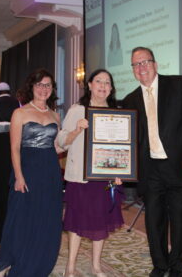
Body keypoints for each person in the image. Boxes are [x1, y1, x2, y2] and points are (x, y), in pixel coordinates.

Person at [122, 47, 182, 277]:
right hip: (150, 170)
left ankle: (178, 267)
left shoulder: (178, 85)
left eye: (145, 62)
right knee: (154, 221)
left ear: (155, 64)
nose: (141, 67)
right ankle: (160, 266)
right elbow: (127, 140)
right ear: (132, 70)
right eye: (136, 64)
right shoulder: (130, 100)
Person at [0, 69, 63, 277]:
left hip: (50, 170)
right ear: (31, 87)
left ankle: (37, 265)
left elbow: (58, 147)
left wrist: (78, 135)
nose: (44, 89)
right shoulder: (20, 113)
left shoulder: (55, 115)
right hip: (27, 169)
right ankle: (5, 265)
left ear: (52, 89)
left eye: (48, 85)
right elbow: (14, 148)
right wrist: (19, 176)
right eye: (40, 85)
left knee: (46, 219)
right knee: (20, 219)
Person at [58, 69, 124, 277]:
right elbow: (61, 143)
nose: (103, 86)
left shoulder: (117, 113)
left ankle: (96, 266)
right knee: (76, 221)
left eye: (107, 82)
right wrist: (77, 129)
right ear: (89, 85)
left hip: (105, 177)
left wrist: (122, 170)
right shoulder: (77, 110)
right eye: (98, 81)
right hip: (81, 176)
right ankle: (70, 267)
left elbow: (122, 147)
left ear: (111, 88)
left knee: (101, 220)